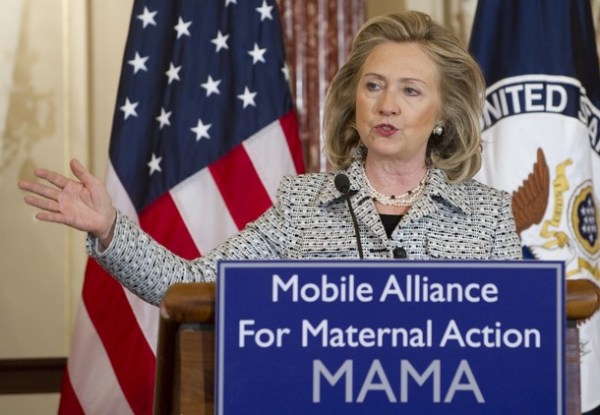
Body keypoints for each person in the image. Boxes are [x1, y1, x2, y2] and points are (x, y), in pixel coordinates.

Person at [18, 11, 522, 306]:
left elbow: (516, 337)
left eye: (410, 91)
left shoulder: (489, 216)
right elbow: (189, 285)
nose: (387, 104)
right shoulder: (303, 204)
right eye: (374, 86)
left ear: (443, 113)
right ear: (355, 101)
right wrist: (110, 228)